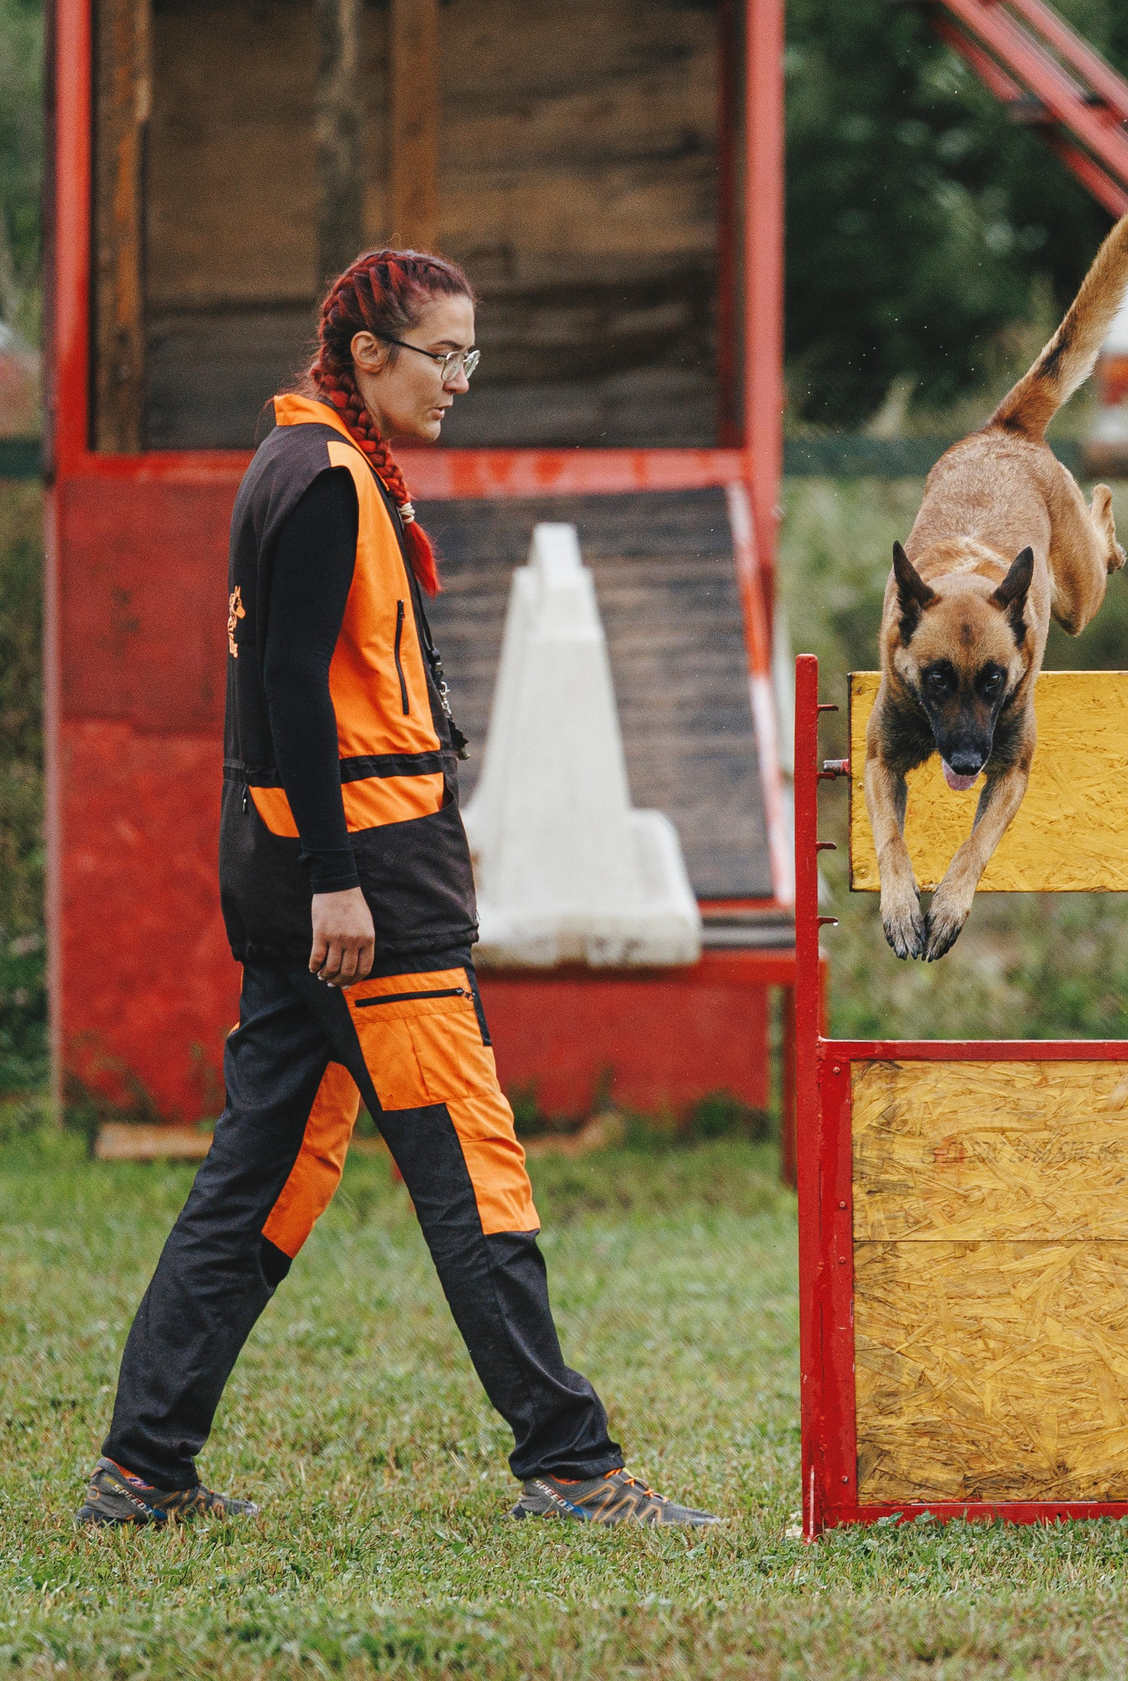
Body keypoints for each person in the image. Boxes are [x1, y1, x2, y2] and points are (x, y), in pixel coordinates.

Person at [78, 249, 715, 1530]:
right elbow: (295, 697)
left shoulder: (307, 462)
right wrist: (337, 885)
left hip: (309, 873)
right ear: (368, 354)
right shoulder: (324, 484)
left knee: (257, 1179)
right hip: (360, 892)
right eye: (444, 355)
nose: (461, 381)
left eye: (472, 356)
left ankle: (144, 1467)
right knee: (472, 1173)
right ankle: (572, 1467)